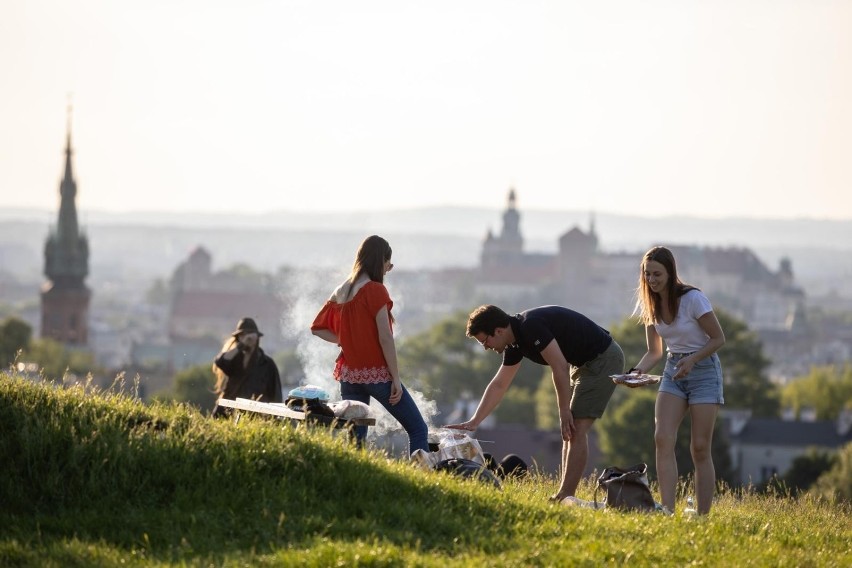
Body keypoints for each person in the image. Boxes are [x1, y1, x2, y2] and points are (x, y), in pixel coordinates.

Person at [446, 304, 624, 503]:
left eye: (485, 341)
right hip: (582, 364)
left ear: (498, 330)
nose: (486, 347)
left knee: (577, 428)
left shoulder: (531, 327)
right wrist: (475, 421)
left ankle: (565, 495)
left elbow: (559, 366)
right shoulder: (514, 343)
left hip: (602, 360)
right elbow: (499, 384)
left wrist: (563, 410)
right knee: (570, 431)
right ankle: (564, 494)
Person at [311, 235, 429, 456]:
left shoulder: (341, 290)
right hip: (377, 375)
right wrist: (395, 377)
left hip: (349, 375)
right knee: (418, 429)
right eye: (388, 264)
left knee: (356, 441)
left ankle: (352, 479)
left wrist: (347, 339)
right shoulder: (375, 290)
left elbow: (317, 328)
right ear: (379, 260)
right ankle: (423, 479)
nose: (388, 270)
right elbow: (385, 337)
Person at [629, 246, 726, 515]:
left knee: (699, 448)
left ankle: (703, 516)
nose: (652, 280)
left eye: (657, 274)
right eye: (647, 274)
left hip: (704, 371)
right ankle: (667, 509)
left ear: (671, 273)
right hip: (674, 371)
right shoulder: (649, 303)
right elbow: (655, 352)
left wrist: (693, 360)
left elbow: (719, 338)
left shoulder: (693, 299)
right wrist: (635, 373)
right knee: (662, 437)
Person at [212, 317, 283, 417]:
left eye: (250, 334)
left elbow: (276, 395)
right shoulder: (234, 359)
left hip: (254, 415)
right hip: (228, 410)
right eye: (243, 335)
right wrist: (240, 346)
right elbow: (220, 361)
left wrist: (273, 417)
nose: (247, 338)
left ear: (257, 337)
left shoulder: (267, 364)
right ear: (238, 338)